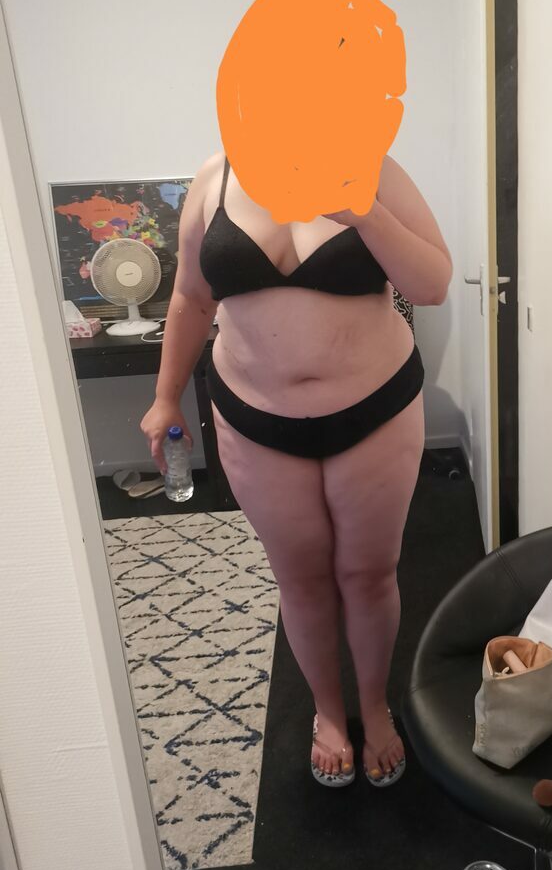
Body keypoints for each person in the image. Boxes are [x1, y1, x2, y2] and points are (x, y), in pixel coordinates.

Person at [141, 149, 452, 786]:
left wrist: (365, 214)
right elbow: (191, 298)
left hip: (376, 408)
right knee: (301, 578)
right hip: (254, 419)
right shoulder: (215, 179)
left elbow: (432, 285)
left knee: (368, 573)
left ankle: (373, 707)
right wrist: (165, 396)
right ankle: (329, 714)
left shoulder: (374, 167)